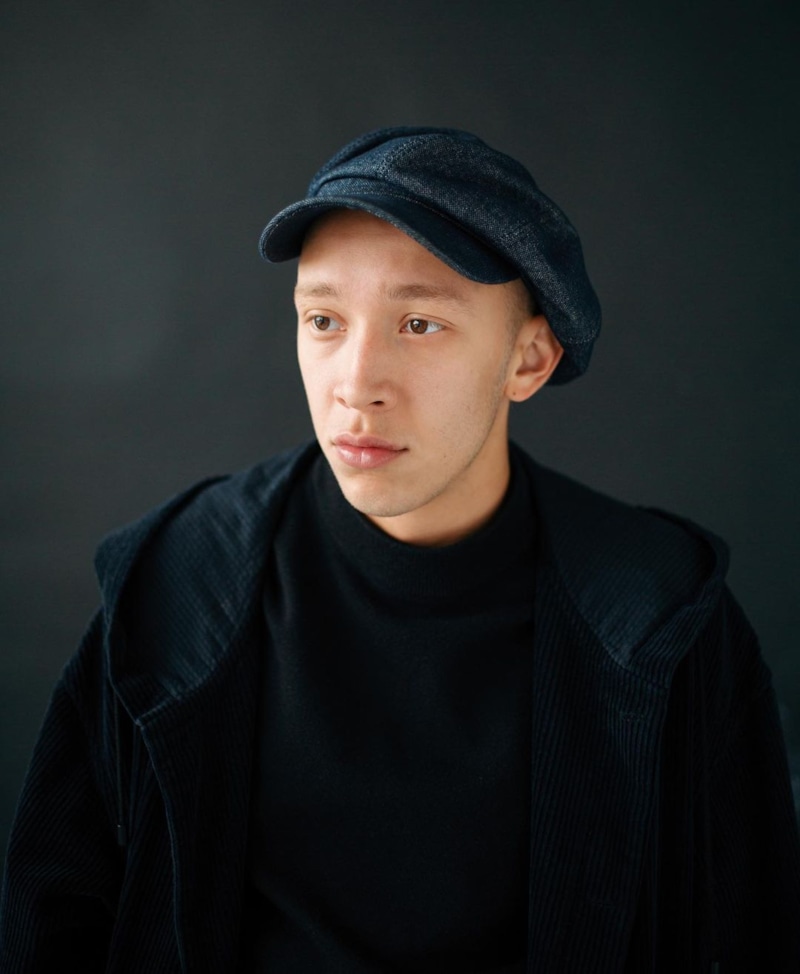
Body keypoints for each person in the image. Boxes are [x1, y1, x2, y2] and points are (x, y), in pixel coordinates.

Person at [1, 127, 798, 974]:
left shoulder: (664, 618)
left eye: (419, 323)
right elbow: (50, 924)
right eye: (323, 320)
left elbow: (761, 929)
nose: (355, 383)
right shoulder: (174, 585)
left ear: (529, 358)